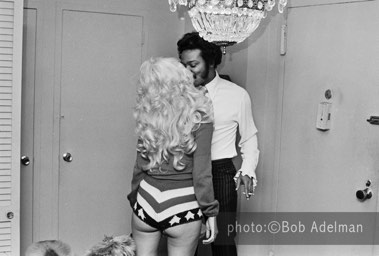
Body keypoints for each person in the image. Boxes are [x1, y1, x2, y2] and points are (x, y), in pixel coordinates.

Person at [177, 32, 260, 256]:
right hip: (185, 171)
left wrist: (247, 169)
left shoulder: (237, 95)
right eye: (183, 65)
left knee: (223, 242)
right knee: (184, 240)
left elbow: (249, 137)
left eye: (193, 64)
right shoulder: (178, 95)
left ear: (211, 62)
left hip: (220, 174)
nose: (186, 71)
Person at [127, 57, 219, 256]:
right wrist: (210, 212)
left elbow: (138, 169)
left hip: (146, 202)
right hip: (182, 207)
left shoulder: (146, 118)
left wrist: (135, 201)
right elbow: (202, 174)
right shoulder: (200, 119)